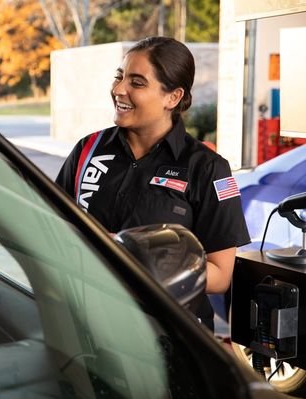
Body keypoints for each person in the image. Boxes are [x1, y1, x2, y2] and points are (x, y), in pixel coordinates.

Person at [56, 36, 250, 331]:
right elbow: (55, 226)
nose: (119, 89)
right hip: (88, 323)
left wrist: (134, 256)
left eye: (137, 82)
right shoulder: (88, 149)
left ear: (172, 97)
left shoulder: (208, 168)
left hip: (169, 335)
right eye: (119, 77)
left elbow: (221, 276)